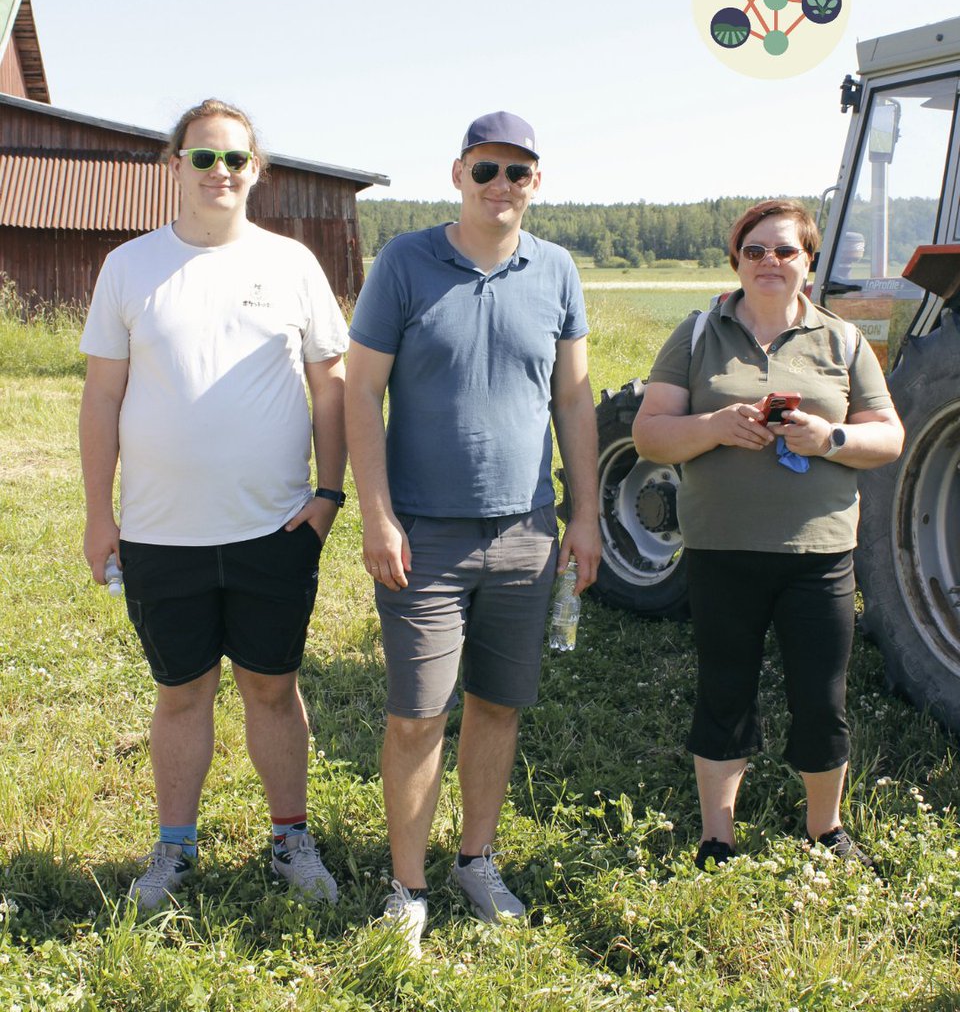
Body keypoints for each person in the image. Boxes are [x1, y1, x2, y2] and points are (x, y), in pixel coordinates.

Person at [79, 98, 348, 910]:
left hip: (274, 526)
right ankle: (174, 851)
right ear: (176, 166)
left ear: (256, 171)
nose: (220, 172)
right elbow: (101, 398)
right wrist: (99, 515)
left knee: (273, 687)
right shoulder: (130, 267)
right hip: (162, 533)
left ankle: (290, 839)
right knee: (181, 692)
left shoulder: (292, 263)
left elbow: (330, 385)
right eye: (204, 158)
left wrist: (330, 495)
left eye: (235, 159)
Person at [345, 111, 601, 956]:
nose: (501, 186)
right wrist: (376, 514)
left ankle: (476, 859)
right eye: (486, 170)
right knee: (418, 716)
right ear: (458, 173)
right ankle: (406, 886)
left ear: (537, 182)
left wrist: (587, 514)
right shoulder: (406, 263)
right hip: (424, 537)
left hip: (528, 533)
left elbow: (573, 401)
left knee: (499, 705)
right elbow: (360, 395)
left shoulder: (556, 270)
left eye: (517, 172)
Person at [632, 199, 903, 871]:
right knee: (725, 688)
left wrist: (829, 437)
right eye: (755, 250)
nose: (770, 262)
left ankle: (825, 828)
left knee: (822, 695)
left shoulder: (840, 341)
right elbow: (650, 433)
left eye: (785, 251)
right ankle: (716, 835)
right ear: (737, 261)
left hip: (819, 553)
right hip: (721, 549)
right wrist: (716, 427)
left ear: (808, 264)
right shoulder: (698, 335)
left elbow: (889, 436)